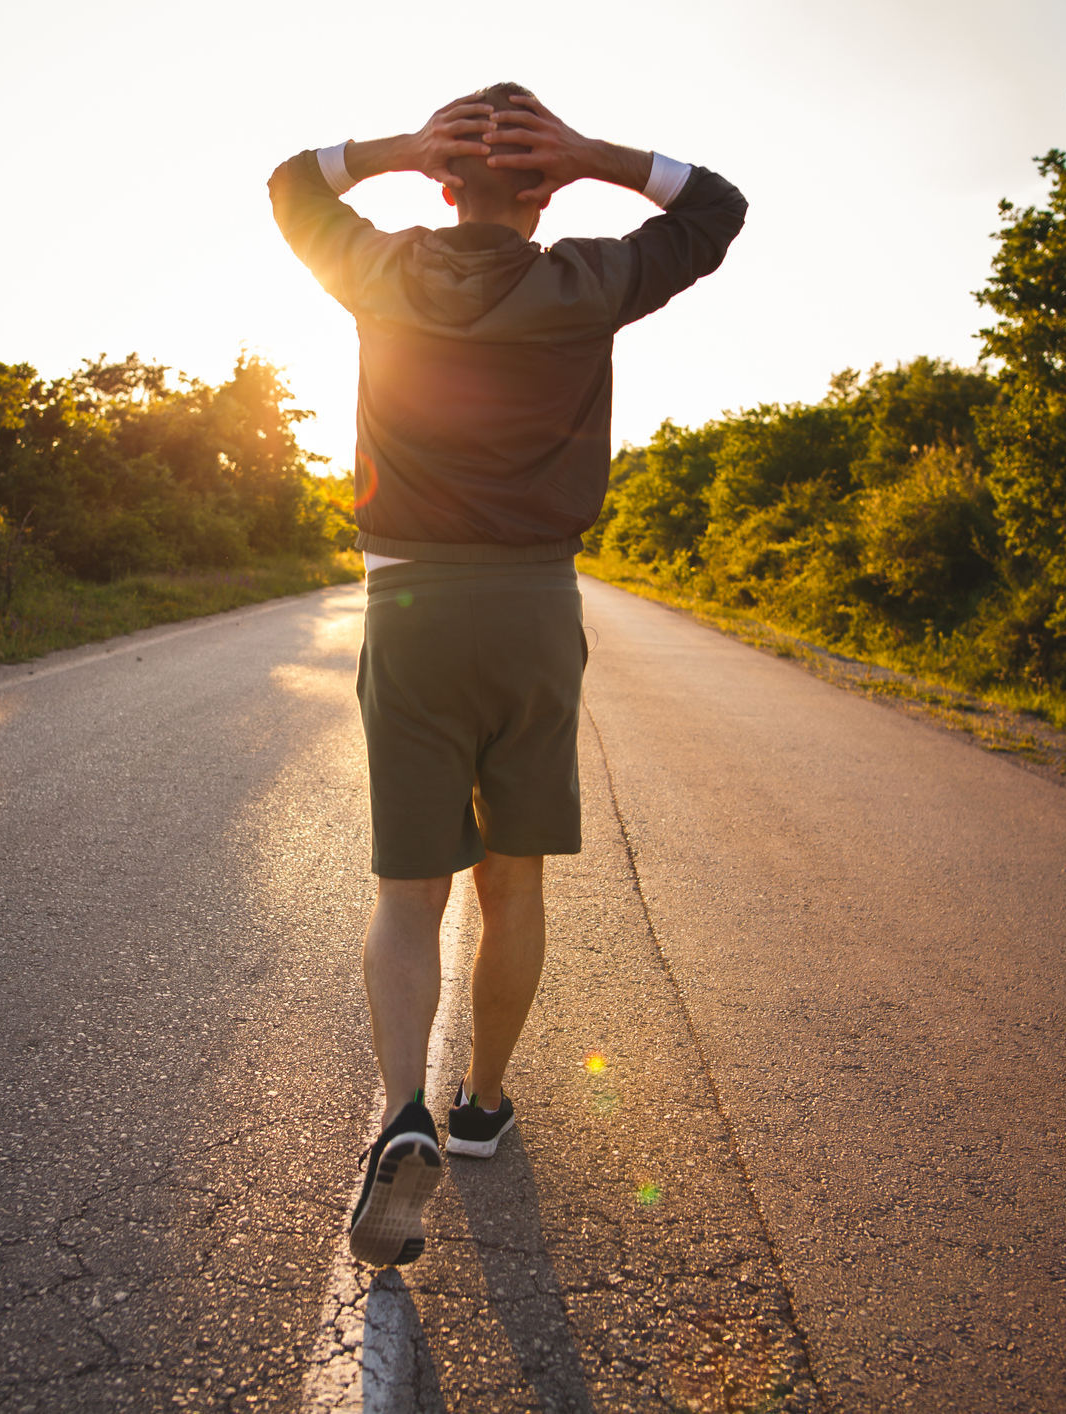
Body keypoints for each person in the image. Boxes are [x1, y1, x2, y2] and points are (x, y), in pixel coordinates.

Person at [269, 85, 746, 1267]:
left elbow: (290, 183)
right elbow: (719, 208)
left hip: (412, 600)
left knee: (408, 887)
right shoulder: (586, 281)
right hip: (537, 602)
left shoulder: (382, 270)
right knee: (512, 878)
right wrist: (601, 155)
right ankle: (479, 1105)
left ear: (442, 181)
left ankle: (401, 1117)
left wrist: (391, 145)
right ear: (548, 188)